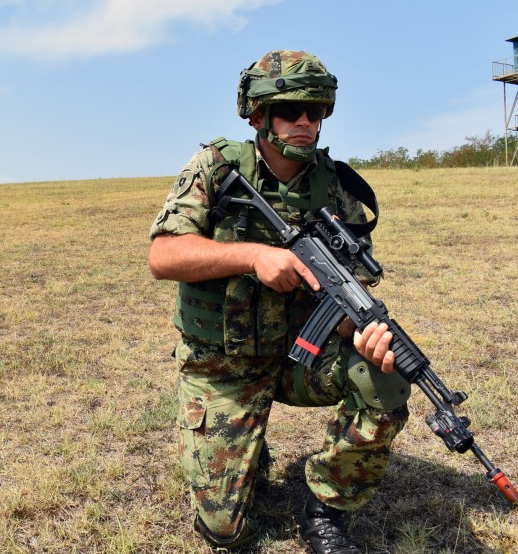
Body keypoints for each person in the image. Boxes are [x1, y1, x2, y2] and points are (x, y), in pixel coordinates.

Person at [147, 50, 410, 553]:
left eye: (316, 110)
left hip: (300, 357)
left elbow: (349, 297)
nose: (305, 121)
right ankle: (249, 445)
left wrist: (361, 335)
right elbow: (163, 255)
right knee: (224, 531)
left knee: (386, 377)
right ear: (257, 115)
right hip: (223, 363)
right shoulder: (216, 167)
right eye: (290, 110)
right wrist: (253, 256)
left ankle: (325, 510)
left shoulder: (338, 188)